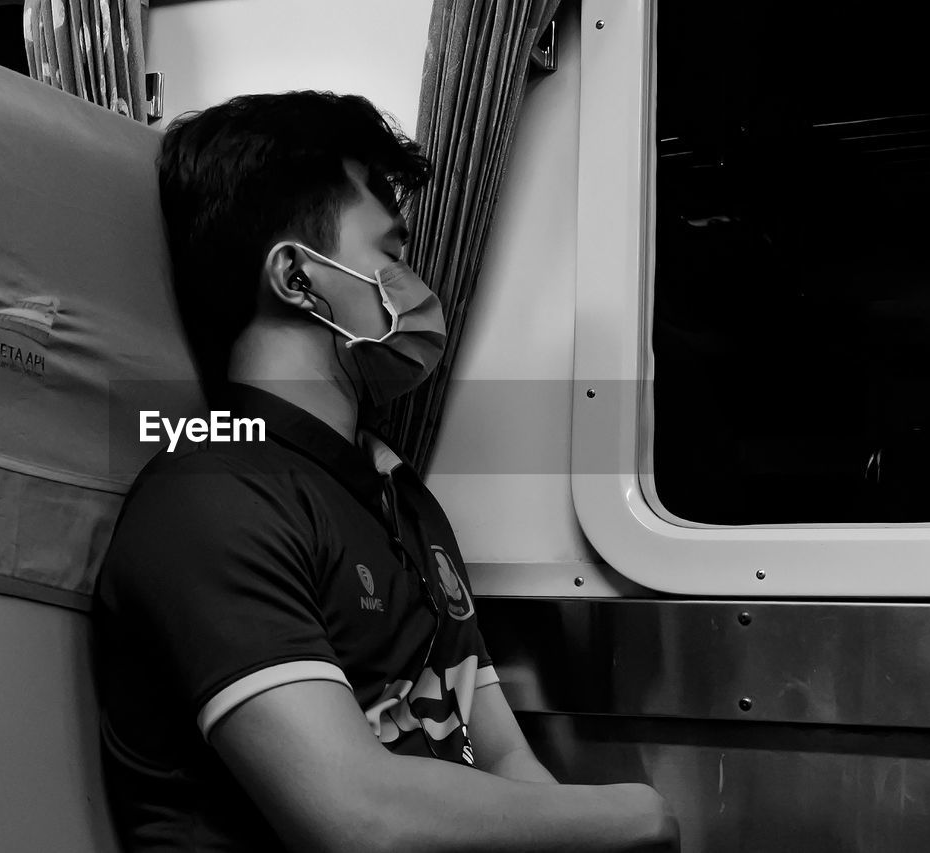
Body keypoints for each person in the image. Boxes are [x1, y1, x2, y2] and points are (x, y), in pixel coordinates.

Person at [94, 90, 679, 852]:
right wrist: (634, 815)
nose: (414, 287)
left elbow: (499, 754)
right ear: (297, 278)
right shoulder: (210, 499)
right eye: (391, 256)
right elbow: (358, 815)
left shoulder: (398, 494)